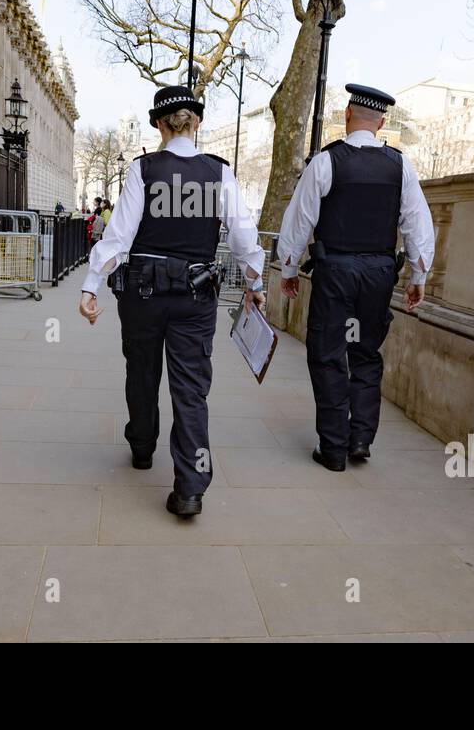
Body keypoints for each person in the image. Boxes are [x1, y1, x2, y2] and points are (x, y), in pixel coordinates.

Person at [78, 85, 266, 518]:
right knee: (191, 388)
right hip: (196, 296)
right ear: (196, 124)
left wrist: (91, 285)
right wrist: (255, 282)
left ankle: (142, 447)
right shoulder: (220, 173)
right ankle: (189, 489)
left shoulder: (143, 169)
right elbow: (243, 237)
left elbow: (118, 234)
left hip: (142, 293)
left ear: (159, 125)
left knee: (142, 372)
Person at [276, 83, 435, 471]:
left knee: (329, 354)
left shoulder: (327, 162)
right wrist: (419, 275)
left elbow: (300, 221)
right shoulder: (401, 166)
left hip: (336, 272)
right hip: (379, 274)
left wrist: (289, 267)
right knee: (365, 354)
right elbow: (417, 225)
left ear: (346, 116)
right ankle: (361, 437)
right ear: (382, 122)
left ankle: (333, 447)